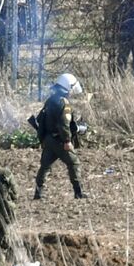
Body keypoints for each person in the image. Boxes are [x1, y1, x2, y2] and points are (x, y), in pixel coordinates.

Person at [30, 72, 87, 200]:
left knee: (44, 166)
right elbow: (64, 124)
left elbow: (41, 120)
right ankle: (78, 193)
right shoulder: (63, 103)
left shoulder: (51, 100)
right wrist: (67, 140)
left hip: (49, 139)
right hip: (60, 140)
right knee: (74, 163)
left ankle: (38, 193)